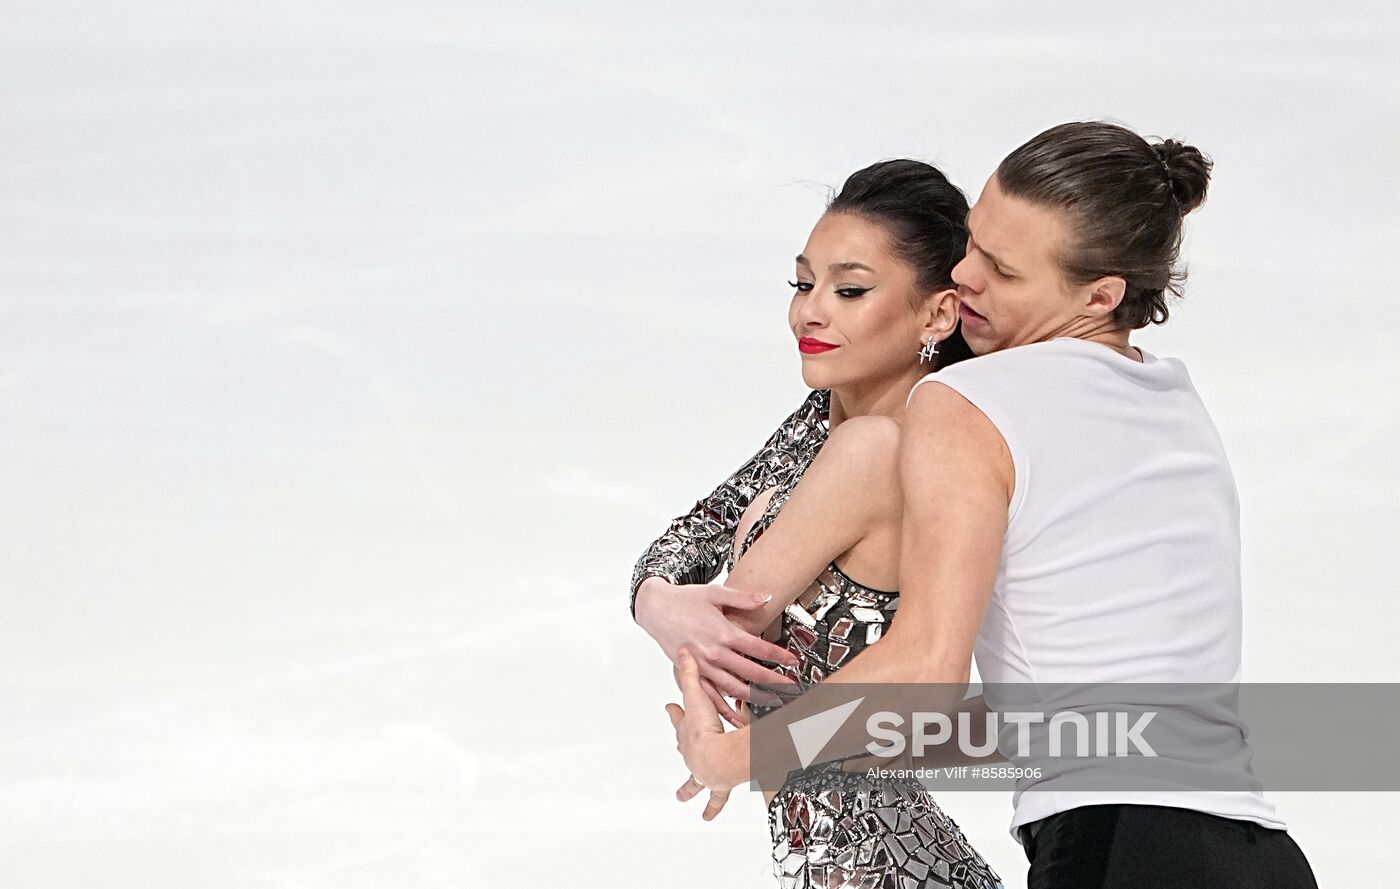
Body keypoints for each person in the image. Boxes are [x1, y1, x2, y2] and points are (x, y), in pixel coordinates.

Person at [666, 122, 1319, 889]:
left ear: (1099, 294)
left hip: (1118, 849)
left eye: (1001, 271)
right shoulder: (1175, 399)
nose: (963, 277)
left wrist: (736, 754)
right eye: (972, 241)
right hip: (1262, 856)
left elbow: (925, 671)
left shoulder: (967, 400)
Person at [636, 159, 1003, 888]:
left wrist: (703, 685)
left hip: (877, 864)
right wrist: (654, 595)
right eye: (804, 283)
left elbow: (732, 628)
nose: (811, 310)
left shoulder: (877, 448)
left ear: (937, 314)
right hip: (860, 855)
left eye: (851, 289)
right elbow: (695, 534)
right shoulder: (826, 421)